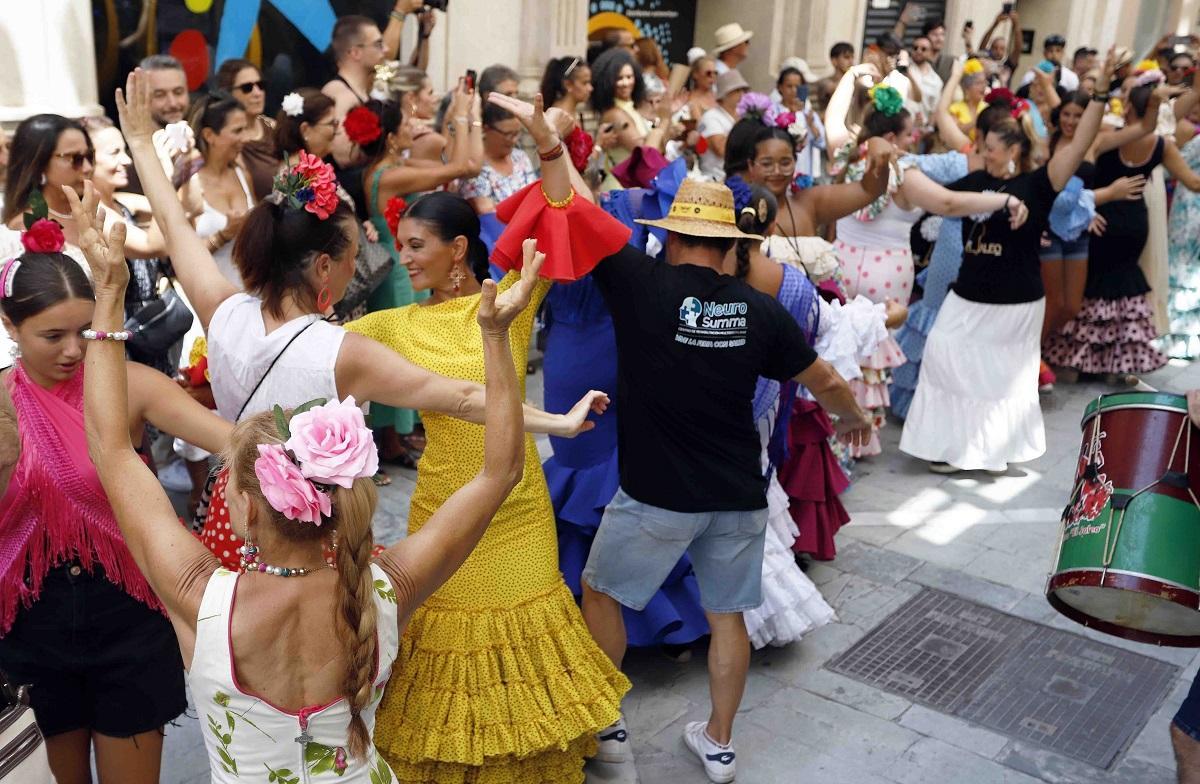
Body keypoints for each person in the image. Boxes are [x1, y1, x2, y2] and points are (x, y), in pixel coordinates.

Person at [67, 173, 537, 784]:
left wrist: (109, 296)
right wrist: (495, 338)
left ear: (246, 511)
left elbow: (110, 448)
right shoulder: (383, 594)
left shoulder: (203, 600)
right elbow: (500, 470)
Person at [490, 90, 872, 781]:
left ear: (668, 240)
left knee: (601, 593)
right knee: (727, 617)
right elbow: (826, 382)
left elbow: (572, 205)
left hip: (653, 495)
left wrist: (550, 145)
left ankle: (610, 725)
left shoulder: (639, 282)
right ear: (729, 249)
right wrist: (856, 419)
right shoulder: (761, 312)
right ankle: (720, 744)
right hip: (736, 496)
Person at [117, 69, 600, 569]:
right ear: (324, 266)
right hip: (307, 534)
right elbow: (461, 396)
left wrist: (139, 144)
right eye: (353, 255)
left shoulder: (224, 311)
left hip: (233, 515)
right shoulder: (341, 352)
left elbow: (175, 228)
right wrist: (558, 423)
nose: (360, 264)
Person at [346, 190, 629, 782]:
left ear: (458, 249)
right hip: (443, 513)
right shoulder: (390, 326)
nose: (404, 260)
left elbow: (567, 209)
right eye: (400, 247)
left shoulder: (512, 299)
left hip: (519, 510)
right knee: (448, 649)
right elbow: (310, 350)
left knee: (524, 643)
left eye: (416, 246)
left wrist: (549, 138)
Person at [0, 191, 232, 784]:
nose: (75, 351)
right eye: (53, 336)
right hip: (30, 624)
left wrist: (309, 443)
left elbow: (235, 442)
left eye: (85, 331)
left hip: (128, 613)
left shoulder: (131, 384)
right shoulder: (2, 403)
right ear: (10, 326)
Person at [900, 53, 1115, 475]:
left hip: (1016, 302)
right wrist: (899, 167)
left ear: (1014, 149)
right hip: (968, 295)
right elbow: (941, 198)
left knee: (1000, 379)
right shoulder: (977, 181)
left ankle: (990, 450)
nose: (983, 154)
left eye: (991, 149)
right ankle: (948, 445)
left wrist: (1101, 92)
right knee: (943, 356)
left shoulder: (1039, 184)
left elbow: (1078, 144)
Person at [826, 80, 1026, 456]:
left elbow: (833, 118)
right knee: (869, 353)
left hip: (841, 264)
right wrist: (1005, 200)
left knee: (837, 349)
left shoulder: (846, 156)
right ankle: (854, 444)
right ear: (890, 135)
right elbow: (948, 204)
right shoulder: (902, 172)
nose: (913, 139)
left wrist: (851, 76)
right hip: (884, 275)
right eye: (909, 134)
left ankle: (831, 431)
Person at [1045, 83, 1200, 383]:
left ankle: (1079, 359)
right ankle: (1117, 362)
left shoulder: (1105, 137)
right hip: (1134, 221)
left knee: (1091, 287)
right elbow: (1193, 183)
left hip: (1099, 218)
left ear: (1128, 108)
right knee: (1122, 286)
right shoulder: (1161, 145)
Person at [360, 89, 479, 466]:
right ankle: (391, 440)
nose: (414, 126)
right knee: (399, 351)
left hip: (399, 263)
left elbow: (464, 165)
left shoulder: (386, 169)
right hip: (397, 269)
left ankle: (394, 439)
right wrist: (462, 114)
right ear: (392, 137)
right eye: (405, 123)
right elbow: (463, 168)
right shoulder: (389, 174)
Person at [79, 116, 176, 376]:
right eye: (114, 153)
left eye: (125, 150)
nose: (127, 160)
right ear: (87, 162)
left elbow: (189, 210)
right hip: (127, 336)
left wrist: (188, 162)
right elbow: (157, 243)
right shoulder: (96, 213)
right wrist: (163, 174)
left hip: (152, 333)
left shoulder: (122, 202)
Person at [182, 93, 255, 288]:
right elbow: (183, 255)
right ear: (209, 135)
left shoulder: (242, 173)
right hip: (210, 300)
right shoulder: (190, 183)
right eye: (237, 131)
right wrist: (223, 235)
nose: (245, 138)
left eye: (245, 129)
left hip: (251, 295)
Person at [592, 47, 672, 190]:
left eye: (629, 77)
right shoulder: (614, 114)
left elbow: (660, 151)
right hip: (622, 191)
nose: (625, 83)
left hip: (638, 188)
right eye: (619, 78)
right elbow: (647, 156)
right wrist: (664, 121)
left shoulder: (633, 108)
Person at [1165, 95, 1200, 358]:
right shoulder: (1184, 129)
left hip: (1189, 202)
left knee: (1187, 265)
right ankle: (1178, 335)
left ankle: (1186, 336)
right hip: (1186, 204)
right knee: (1183, 263)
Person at [214, 58, 277, 201]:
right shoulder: (226, 141)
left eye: (260, 85)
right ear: (228, 93)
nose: (257, 93)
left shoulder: (274, 127)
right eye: (247, 88)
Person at [460, 103, 537, 214]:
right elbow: (485, 212)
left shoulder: (520, 158)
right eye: (508, 134)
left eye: (517, 133)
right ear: (486, 130)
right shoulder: (475, 168)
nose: (514, 140)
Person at [697, 70, 750, 182]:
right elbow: (721, 150)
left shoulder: (740, 116)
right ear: (725, 94)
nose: (742, 95)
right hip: (715, 180)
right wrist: (739, 126)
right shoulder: (711, 117)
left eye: (743, 90)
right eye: (736, 90)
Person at [776, 66, 827, 178]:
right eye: (789, 86)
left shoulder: (808, 113)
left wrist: (811, 125)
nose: (794, 90)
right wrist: (792, 114)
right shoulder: (773, 111)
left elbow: (822, 143)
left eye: (797, 86)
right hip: (778, 171)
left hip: (803, 172)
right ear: (780, 87)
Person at [139, 54, 189, 128]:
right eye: (160, 95)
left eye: (178, 92)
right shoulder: (121, 139)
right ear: (141, 98)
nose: (173, 103)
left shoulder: (201, 136)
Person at [814, 42, 855, 116]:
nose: (851, 62)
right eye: (846, 57)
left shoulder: (854, 80)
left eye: (852, 57)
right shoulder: (825, 82)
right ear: (834, 61)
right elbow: (839, 90)